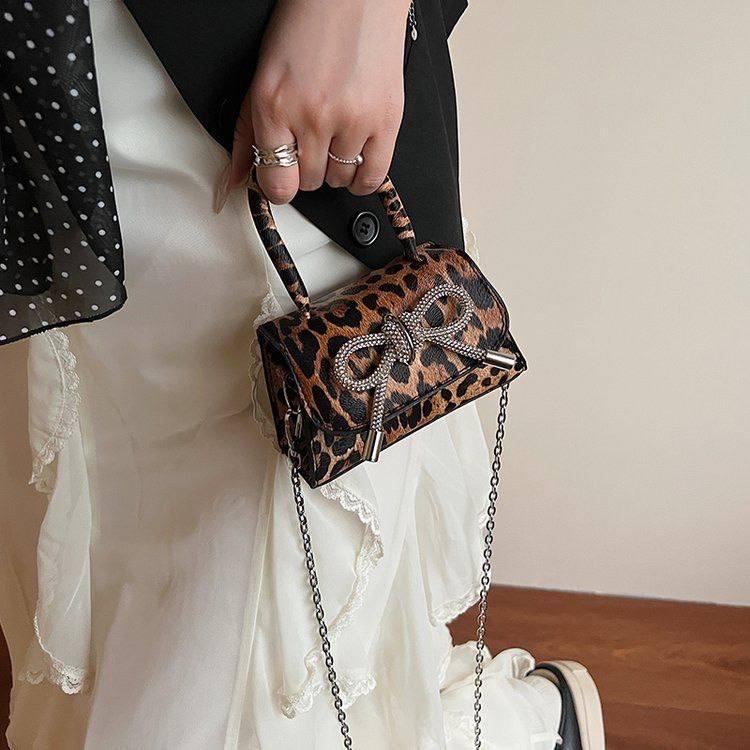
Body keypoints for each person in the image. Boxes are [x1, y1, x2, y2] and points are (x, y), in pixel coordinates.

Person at [0, 1, 604, 747]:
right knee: (119, 599)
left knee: (257, 657)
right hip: (41, 128)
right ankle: (527, 729)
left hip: (249, 82)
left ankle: (521, 728)